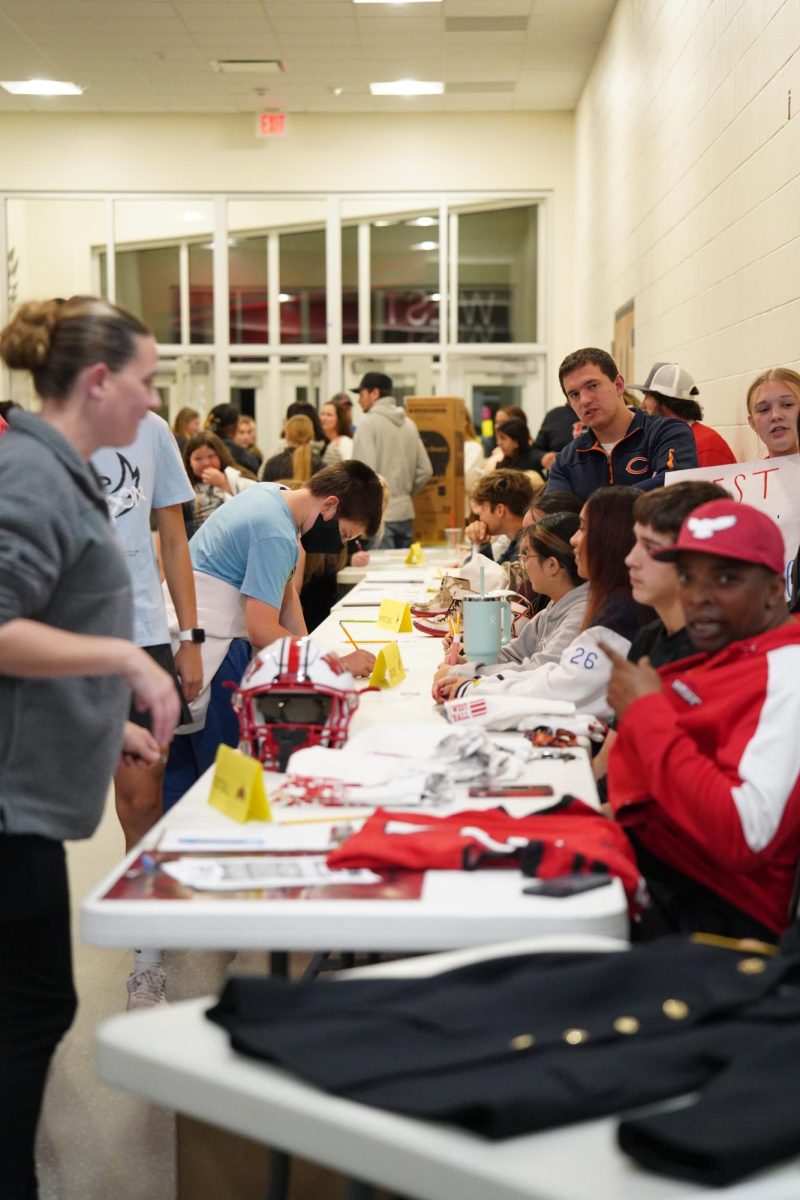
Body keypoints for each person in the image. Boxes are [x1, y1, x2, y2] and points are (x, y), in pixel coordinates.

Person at [0, 296, 181, 1199]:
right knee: (33, 1008)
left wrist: (105, 719)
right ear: (99, 381)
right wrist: (121, 660)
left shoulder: (56, 469)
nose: (154, 403)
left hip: (24, 794)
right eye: (146, 383)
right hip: (7, 807)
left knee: (34, 1005)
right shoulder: (28, 475)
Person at [605, 498, 800, 942]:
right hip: (663, 877)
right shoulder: (737, 651)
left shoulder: (789, 672)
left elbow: (742, 834)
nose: (699, 596)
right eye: (689, 577)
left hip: (717, 922)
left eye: (726, 578)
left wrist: (647, 714)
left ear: (774, 591)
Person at [162, 460, 384, 808]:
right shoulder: (277, 534)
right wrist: (332, 664)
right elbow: (262, 629)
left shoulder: (271, 495)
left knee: (181, 776)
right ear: (329, 505)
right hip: (216, 650)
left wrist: (311, 652)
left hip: (183, 636)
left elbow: (283, 590)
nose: (339, 545)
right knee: (225, 783)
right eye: (344, 534)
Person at [93, 409, 202, 1008]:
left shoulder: (150, 428)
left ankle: (147, 956)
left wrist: (192, 635)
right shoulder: (38, 429)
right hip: (60, 637)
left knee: (143, 797)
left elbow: (175, 538)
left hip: (140, 633)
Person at [437, 486, 651, 718]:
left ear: (611, 539)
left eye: (583, 528)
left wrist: (470, 686)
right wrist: (470, 670)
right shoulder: (587, 604)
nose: (574, 540)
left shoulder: (615, 615)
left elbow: (560, 687)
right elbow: (543, 671)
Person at [590, 480, 730, 790]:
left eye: (650, 547)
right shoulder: (647, 639)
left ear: (695, 561)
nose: (631, 558)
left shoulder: (719, 657)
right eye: (635, 542)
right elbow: (607, 760)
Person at [433, 511, 588, 699]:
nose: (522, 563)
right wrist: (466, 662)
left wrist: (466, 674)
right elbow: (514, 653)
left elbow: (538, 671)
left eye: (526, 555)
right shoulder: (554, 607)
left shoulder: (580, 616)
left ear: (552, 566)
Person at [545, 347, 698, 501]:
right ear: (570, 404)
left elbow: (677, 487)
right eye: (574, 394)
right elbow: (554, 518)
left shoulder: (669, 433)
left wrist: (598, 507)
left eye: (592, 386)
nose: (584, 400)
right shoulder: (565, 461)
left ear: (618, 385)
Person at [350, 371, 432, 549]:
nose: (358, 400)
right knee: (403, 573)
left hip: (380, 516)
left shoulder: (367, 425)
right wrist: (405, 494)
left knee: (381, 575)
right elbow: (426, 470)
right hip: (405, 514)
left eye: (361, 394)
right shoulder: (409, 425)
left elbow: (362, 474)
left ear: (375, 393)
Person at [631, 362, 736, 467]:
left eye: (648, 397)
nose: (642, 405)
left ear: (666, 402)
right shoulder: (661, 439)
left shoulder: (706, 444)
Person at [182, 430, 258, 538]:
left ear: (220, 456)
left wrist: (224, 484)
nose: (206, 463)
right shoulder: (184, 488)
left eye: (211, 456)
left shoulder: (238, 476)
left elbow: (254, 503)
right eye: (198, 459)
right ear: (189, 462)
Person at [463, 469, 533, 565]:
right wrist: (482, 542)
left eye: (483, 510)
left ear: (500, 510)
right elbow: (492, 574)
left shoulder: (526, 549)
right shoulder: (518, 540)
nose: (480, 518)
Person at [746, 367, 800, 459]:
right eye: (763, 409)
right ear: (752, 423)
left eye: (788, 404)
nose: (776, 415)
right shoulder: (750, 473)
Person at [260, 414, 323, 483]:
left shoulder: (273, 464)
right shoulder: (320, 465)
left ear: (287, 436)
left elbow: (265, 491)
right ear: (311, 436)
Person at [206, 402, 260, 474]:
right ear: (236, 426)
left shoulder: (200, 447)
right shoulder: (244, 456)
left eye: (249, 432)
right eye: (242, 432)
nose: (246, 437)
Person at [528, 401, 576, 474]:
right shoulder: (554, 415)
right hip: (559, 479)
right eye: (574, 394)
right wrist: (543, 457)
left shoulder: (598, 414)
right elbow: (535, 451)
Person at [320, 398, 354, 465]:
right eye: (322, 414)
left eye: (329, 415)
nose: (324, 418)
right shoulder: (319, 443)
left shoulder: (345, 443)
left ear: (339, 419)